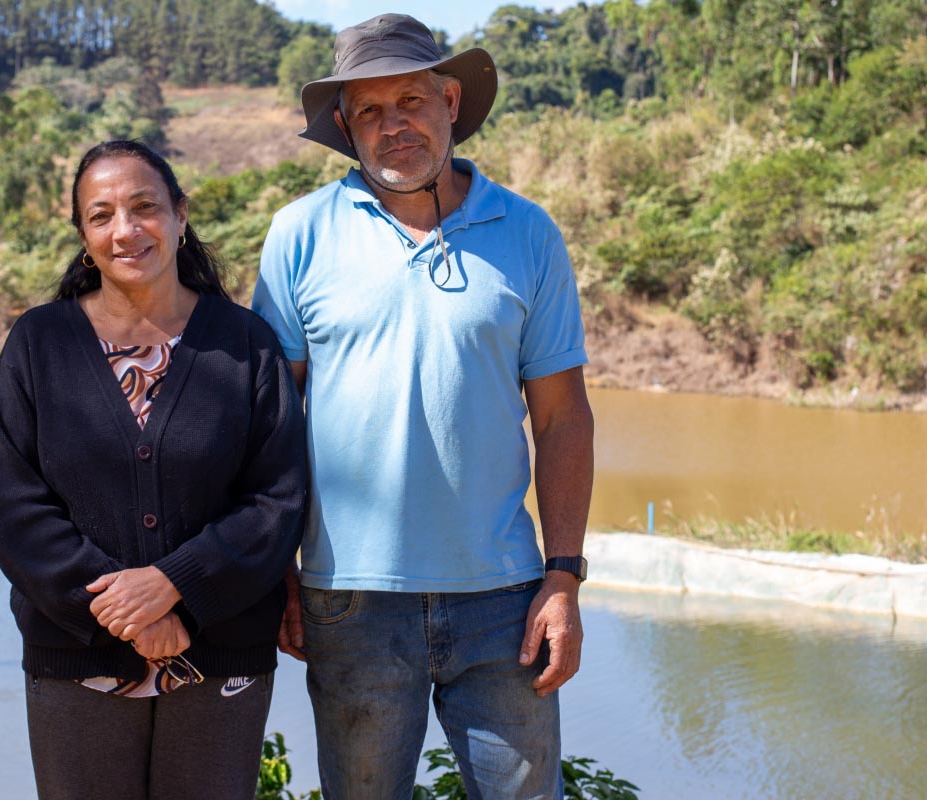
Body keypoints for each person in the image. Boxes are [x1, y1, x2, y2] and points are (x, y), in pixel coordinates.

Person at [251, 13, 594, 800]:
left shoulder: (528, 233)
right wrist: (278, 576)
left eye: (410, 100)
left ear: (449, 101)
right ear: (344, 126)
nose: (392, 124)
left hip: (506, 599)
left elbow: (563, 418)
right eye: (369, 110)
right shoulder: (300, 234)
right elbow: (271, 424)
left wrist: (564, 578)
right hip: (349, 599)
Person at [0, 140, 306, 800]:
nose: (125, 230)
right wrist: (129, 609)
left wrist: (173, 585)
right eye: (101, 215)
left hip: (220, 654)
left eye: (144, 207)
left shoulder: (245, 344)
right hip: (77, 658)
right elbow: (12, 505)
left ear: (181, 217)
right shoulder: (37, 344)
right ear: (82, 234)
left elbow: (278, 497)